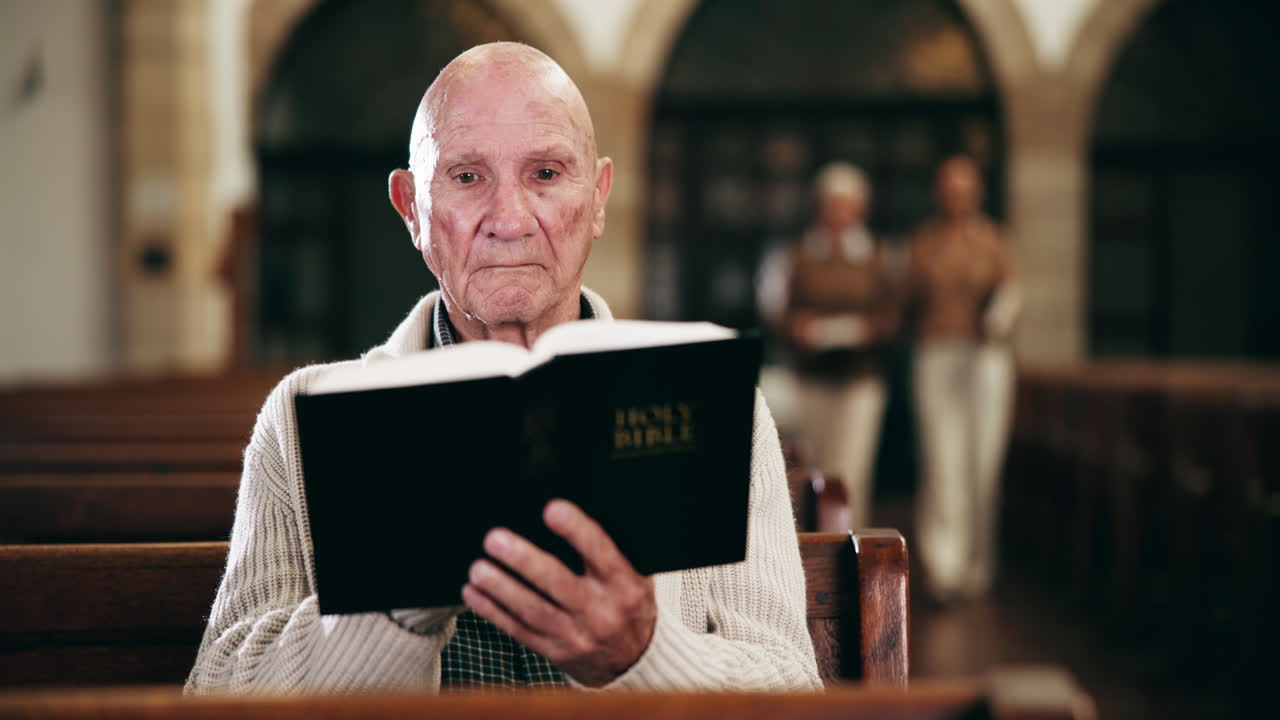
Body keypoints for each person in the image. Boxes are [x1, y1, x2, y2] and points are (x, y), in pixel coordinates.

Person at [186, 42, 820, 694]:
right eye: (466, 177)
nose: (509, 220)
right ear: (411, 209)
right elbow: (217, 695)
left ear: (598, 197)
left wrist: (643, 656)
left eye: (545, 173)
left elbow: (794, 689)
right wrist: (396, 603)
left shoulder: (709, 400)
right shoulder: (304, 418)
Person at [907, 155, 1020, 603]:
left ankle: (979, 559)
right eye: (948, 187)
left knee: (983, 457)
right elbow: (908, 300)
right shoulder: (925, 242)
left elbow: (1012, 293)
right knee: (942, 457)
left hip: (984, 358)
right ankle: (943, 561)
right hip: (938, 353)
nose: (956, 196)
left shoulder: (994, 240)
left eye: (964, 187)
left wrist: (998, 316)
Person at [782, 163, 900, 530]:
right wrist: (798, 326)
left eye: (847, 204)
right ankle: (817, 549)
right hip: (813, 376)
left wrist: (869, 329)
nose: (839, 213)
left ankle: (849, 546)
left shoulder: (877, 255)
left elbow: (892, 313)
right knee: (813, 466)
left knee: (850, 468)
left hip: (859, 376)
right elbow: (781, 310)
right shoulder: (801, 254)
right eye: (832, 204)